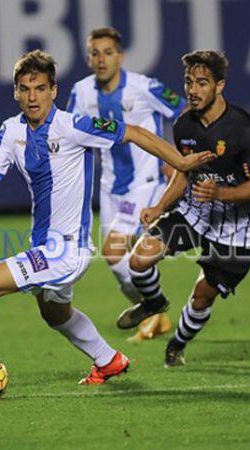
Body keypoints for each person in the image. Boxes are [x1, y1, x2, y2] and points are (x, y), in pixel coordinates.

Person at [0, 50, 214, 388]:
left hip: (66, 251)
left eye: (40, 88)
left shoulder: (73, 126)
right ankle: (108, 359)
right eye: (24, 89)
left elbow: (134, 132)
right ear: (15, 92)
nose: (32, 96)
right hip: (43, 246)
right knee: (54, 314)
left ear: (53, 91)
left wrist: (182, 163)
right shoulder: (11, 132)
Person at [114, 50, 250, 367]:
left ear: (219, 86)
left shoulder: (243, 128)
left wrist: (221, 193)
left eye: (202, 82)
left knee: (203, 295)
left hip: (235, 226)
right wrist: (158, 206)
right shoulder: (184, 124)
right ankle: (153, 303)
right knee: (139, 258)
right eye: (189, 82)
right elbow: (183, 173)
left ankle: (177, 345)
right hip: (196, 211)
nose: (193, 89)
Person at [67, 27, 186, 342]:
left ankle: (153, 305)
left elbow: (184, 113)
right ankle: (152, 310)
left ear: (120, 56)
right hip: (110, 186)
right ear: (88, 57)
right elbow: (70, 133)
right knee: (115, 258)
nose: (101, 59)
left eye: (108, 52)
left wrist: (175, 155)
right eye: (95, 53)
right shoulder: (81, 93)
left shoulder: (144, 87)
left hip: (144, 183)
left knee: (113, 251)